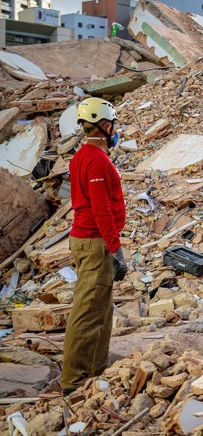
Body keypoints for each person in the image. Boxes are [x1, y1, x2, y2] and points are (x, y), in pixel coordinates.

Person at [62, 97, 127, 395]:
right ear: (103, 125)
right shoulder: (96, 159)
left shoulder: (81, 156)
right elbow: (101, 208)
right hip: (95, 241)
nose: (115, 130)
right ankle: (73, 383)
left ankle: (96, 371)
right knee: (88, 310)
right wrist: (115, 248)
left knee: (102, 308)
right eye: (112, 124)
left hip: (88, 239)